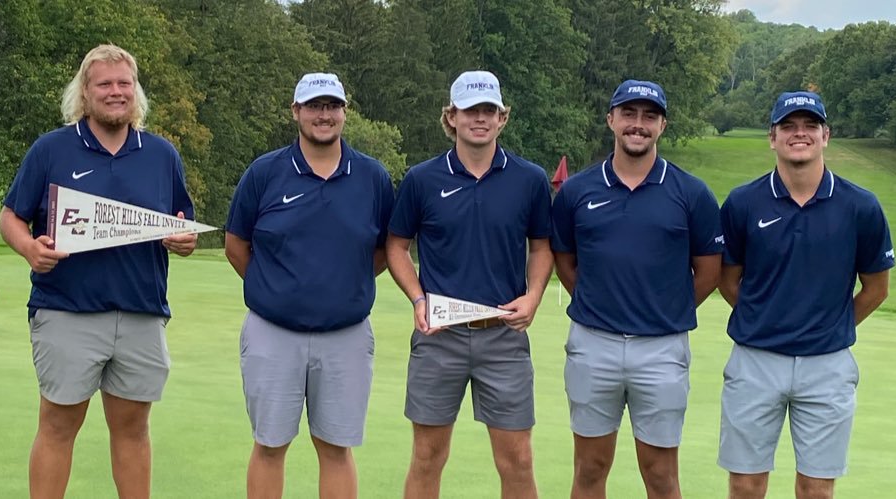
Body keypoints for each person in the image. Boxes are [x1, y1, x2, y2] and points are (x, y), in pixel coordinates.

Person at [0, 44, 198, 499]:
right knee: (57, 425)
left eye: (123, 84)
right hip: (66, 310)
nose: (115, 92)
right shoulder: (52, 149)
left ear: (136, 92)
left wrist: (183, 242)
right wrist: (30, 247)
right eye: (104, 84)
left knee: (133, 429)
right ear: (85, 93)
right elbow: (10, 217)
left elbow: (181, 227)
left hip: (141, 313)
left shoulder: (161, 155)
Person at [550, 79, 723, 499]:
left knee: (661, 474)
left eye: (649, 116)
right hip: (593, 344)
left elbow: (709, 270)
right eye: (629, 114)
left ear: (662, 125)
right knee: (590, 469)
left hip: (662, 349)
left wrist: (665, 308)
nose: (638, 125)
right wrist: (598, 302)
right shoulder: (576, 191)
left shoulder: (691, 193)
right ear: (611, 119)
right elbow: (565, 262)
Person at [225, 72, 395, 499]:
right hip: (273, 332)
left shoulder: (372, 177)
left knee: (336, 448)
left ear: (344, 112)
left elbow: (382, 250)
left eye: (332, 106)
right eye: (314, 106)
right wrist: (276, 287)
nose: (324, 115)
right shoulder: (264, 173)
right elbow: (235, 244)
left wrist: (342, 285)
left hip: (346, 335)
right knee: (269, 444)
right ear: (296, 111)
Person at [716, 91, 894, 499]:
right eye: (788, 127)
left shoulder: (861, 206)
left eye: (809, 126)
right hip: (755, 361)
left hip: (827, 366)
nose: (800, 134)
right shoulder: (743, 202)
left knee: (816, 489)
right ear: (772, 137)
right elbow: (728, 278)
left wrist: (830, 325)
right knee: (745, 485)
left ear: (825, 135)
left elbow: (876, 288)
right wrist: (763, 317)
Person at [387, 70, 552, 499]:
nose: (480, 118)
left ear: (502, 118)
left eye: (488, 110)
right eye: (470, 110)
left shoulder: (529, 179)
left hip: (503, 336)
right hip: (439, 335)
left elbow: (541, 247)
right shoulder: (422, 179)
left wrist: (534, 296)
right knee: (427, 457)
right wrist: (418, 298)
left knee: (517, 460)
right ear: (452, 117)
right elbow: (396, 247)